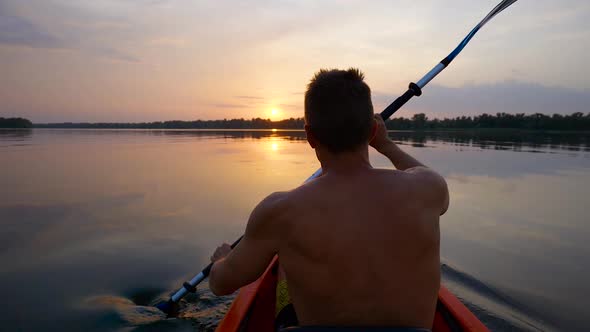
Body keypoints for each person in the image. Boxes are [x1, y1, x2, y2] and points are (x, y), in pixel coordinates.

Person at [208, 68, 449, 330]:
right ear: (371, 131)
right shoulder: (428, 189)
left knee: (288, 261)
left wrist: (220, 261)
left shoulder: (280, 211)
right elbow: (422, 173)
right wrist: (386, 144)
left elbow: (221, 285)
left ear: (310, 136)